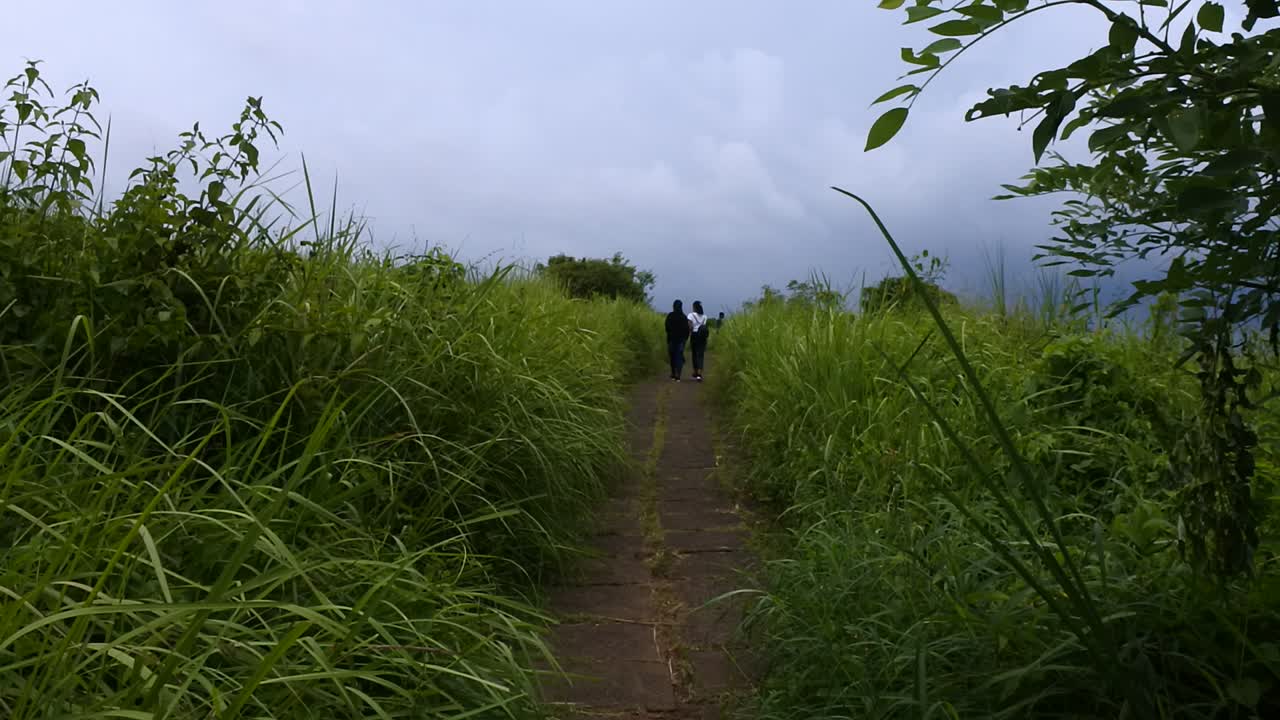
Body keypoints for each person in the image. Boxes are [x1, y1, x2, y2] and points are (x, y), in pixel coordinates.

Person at [665, 299, 690, 381]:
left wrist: (669, 335)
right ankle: (678, 375)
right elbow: (687, 330)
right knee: (679, 357)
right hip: (681, 341)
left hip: (672, 339)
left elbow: (667, 328)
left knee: (672, 357)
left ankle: (673, 373)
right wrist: (685, 339)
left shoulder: (670, 316)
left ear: (673, 306)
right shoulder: (684, 317)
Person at [687, 300, 710, 381]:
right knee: (700, 354)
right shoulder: (705, 316)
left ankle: (695, 372)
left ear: (694, 307)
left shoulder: (691, 315)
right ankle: (699, 374)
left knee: (694, 354)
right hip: (702, 337)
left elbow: (690, 326)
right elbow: (703, 327)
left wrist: (689, 334)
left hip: (694, 335)